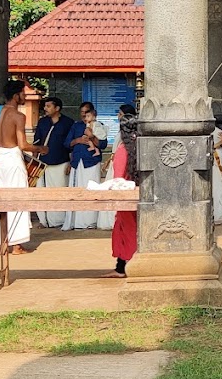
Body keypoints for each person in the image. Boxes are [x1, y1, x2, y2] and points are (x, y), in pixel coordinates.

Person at [0, 80, 48, 254]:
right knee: (18, 199)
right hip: (12, 159)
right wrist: (41, 149)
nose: (25, 96)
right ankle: (16, 245)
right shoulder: (18, 116)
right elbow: (23, 145)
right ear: (16, 95)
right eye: (23, 93)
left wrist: (0, 142)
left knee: (0, 201)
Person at [103, 104, 140, 278]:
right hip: (138, 195)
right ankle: (123, 266)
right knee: (132, 229)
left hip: (124, 196)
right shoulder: (141, 149)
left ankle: (126, 267)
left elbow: (118, 176)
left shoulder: (122, 150)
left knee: (125, 230)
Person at [62, 102, 108, 230]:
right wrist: (78, 140)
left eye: (86, 112)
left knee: (91, 190)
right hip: (77, 162)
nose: (83, 115)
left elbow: (102, 144)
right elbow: (67, 144)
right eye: (82, 112)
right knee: (77, 191)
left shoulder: (99, 126)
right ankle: (76, 222)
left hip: (91, 162)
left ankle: (90, 221)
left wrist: (91, 136)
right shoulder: (76, 126)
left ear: (92, 113)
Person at [31, 97, 76, 228]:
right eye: (45, 106)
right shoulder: (42, 122)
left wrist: (71, 163)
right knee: (41, 192)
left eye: (48, 106)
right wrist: (34, 161)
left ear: (57, 108)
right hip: (42, 162)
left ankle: (59, 221)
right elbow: (36, 142)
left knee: (59, 192)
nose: (45, 108)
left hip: (61, 162)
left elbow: (71, 145)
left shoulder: (68, 123)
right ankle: (44, 221)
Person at [210, 126, 222, 225]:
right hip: (206, 159)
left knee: (218, 187)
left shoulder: (218, 132)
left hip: (217, 160)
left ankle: (218, 216)